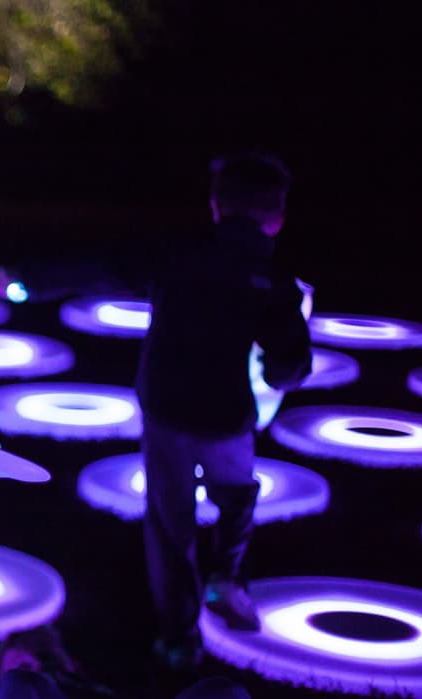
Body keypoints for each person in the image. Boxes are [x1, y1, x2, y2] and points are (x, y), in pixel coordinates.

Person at [136, 153, 311, 668]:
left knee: (170, 521)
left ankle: (176, 638)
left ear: (215, 206)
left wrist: (25, 277)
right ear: (277, 216)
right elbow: (291, 362)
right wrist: (279, 378)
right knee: (236, 496)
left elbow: (105, 266)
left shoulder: (177, 256)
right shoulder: (270, 276)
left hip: (165, 406)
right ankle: (224, 578)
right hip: (225, 411)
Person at [0, 627, 261, 699]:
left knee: (220, 693)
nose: (40, 672)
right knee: (21, 686)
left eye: (45, 661)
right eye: (24, 666)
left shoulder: (105, 691)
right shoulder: (19, 690)